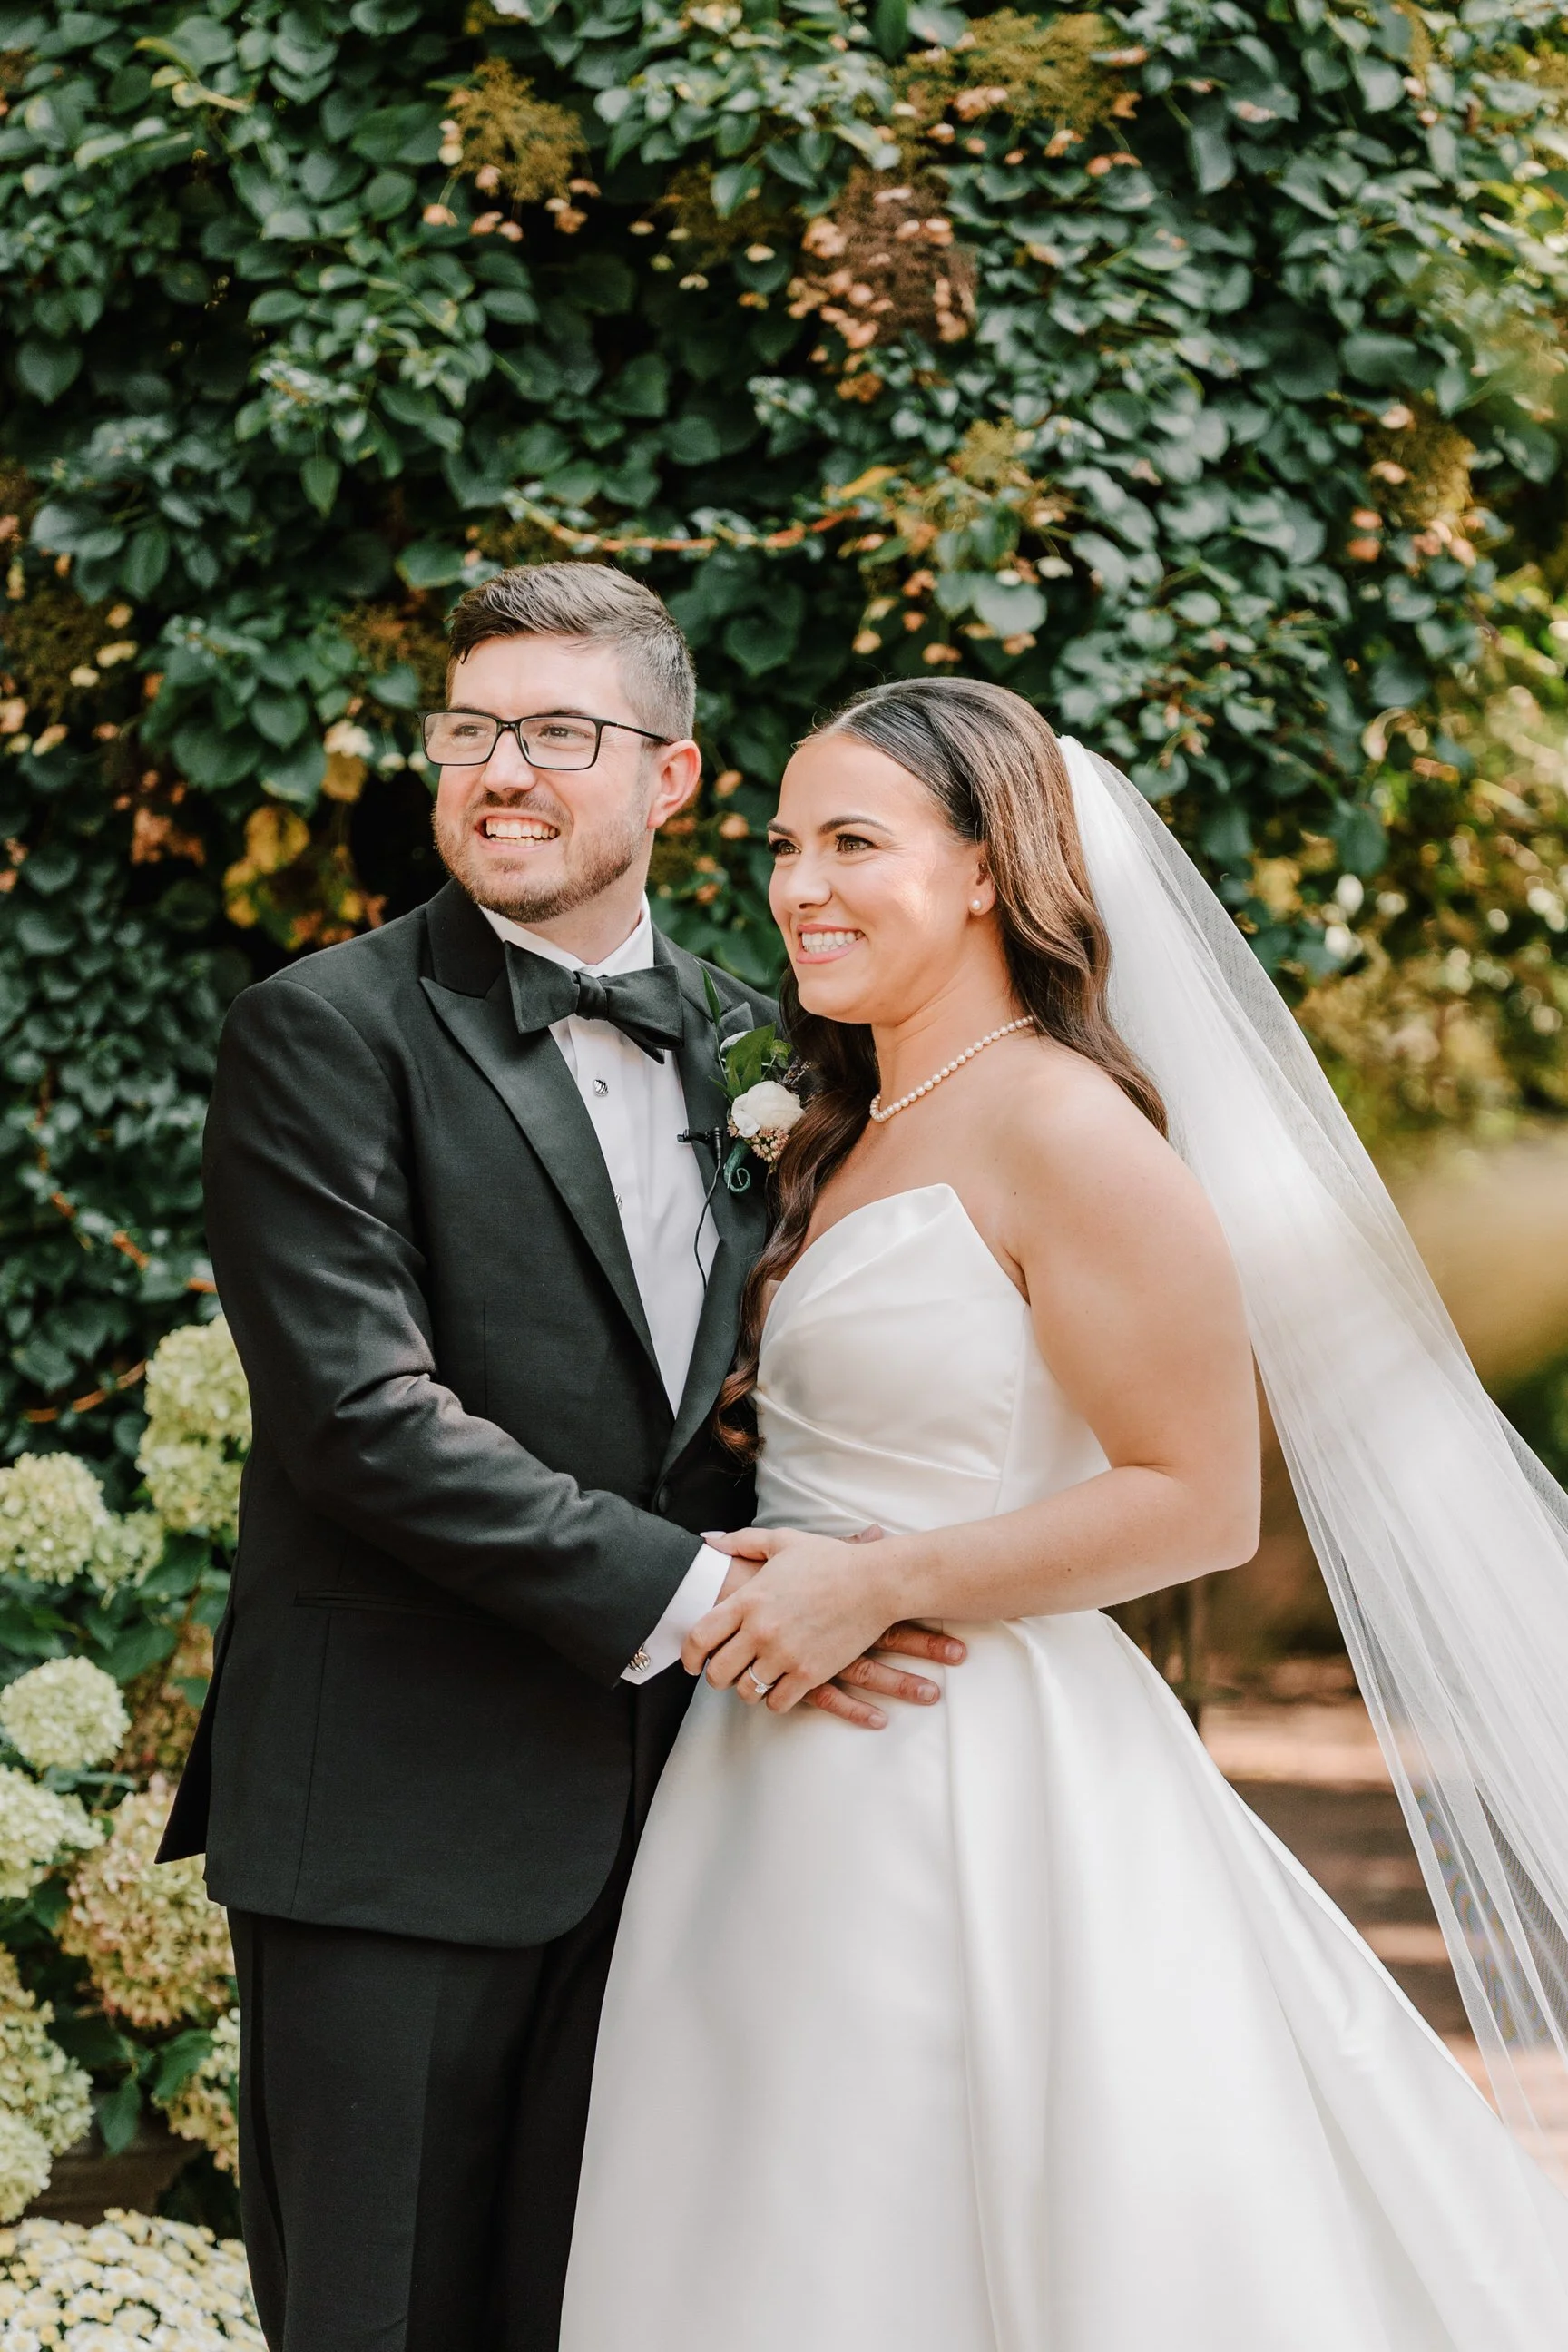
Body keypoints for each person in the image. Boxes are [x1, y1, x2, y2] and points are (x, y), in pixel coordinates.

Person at [562, 676, 1568, 2350]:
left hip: (970, 1754)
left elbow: (1198, 1501)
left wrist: (875, 1585)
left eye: (855, 843)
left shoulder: (1067, 1128)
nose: (800, 885)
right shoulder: (847, 1121)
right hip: (762, 1770)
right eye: (786, 844)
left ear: (982, 869)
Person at [157, 564, 954, 2352]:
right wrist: (700, 1602)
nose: (501, 772)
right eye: (471, 734)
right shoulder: (322, 1032)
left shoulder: (787, 1046)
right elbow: (361, 1420)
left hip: (717, 1826)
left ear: (672, 778)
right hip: (396, 1824)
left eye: (559, 735)